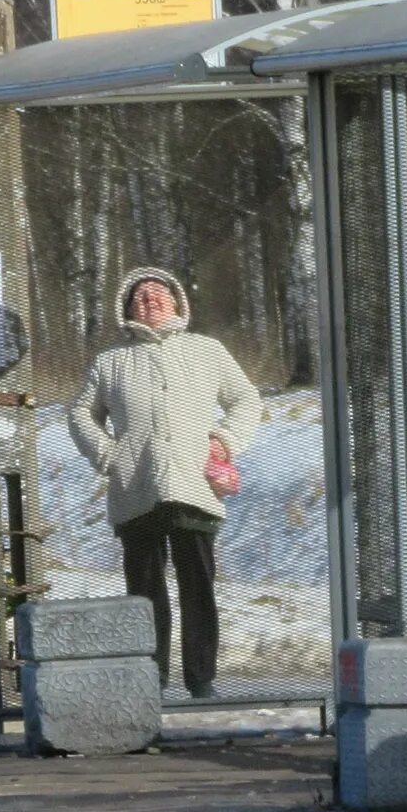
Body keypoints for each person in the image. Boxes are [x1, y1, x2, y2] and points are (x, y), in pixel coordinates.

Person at [67, 267, 260, 698]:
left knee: (198, 585)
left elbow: (247, 399)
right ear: (127, 308)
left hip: (195, 485)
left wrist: (225, 440)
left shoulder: (207, 351)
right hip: (136, 488)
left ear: (177, 303)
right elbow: (81, 414)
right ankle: (150, 678)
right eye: (140, 296)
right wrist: (108, 454)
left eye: (159, 293)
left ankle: (201, 678)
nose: (150, 300)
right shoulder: (109, 362)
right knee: (144, 591)